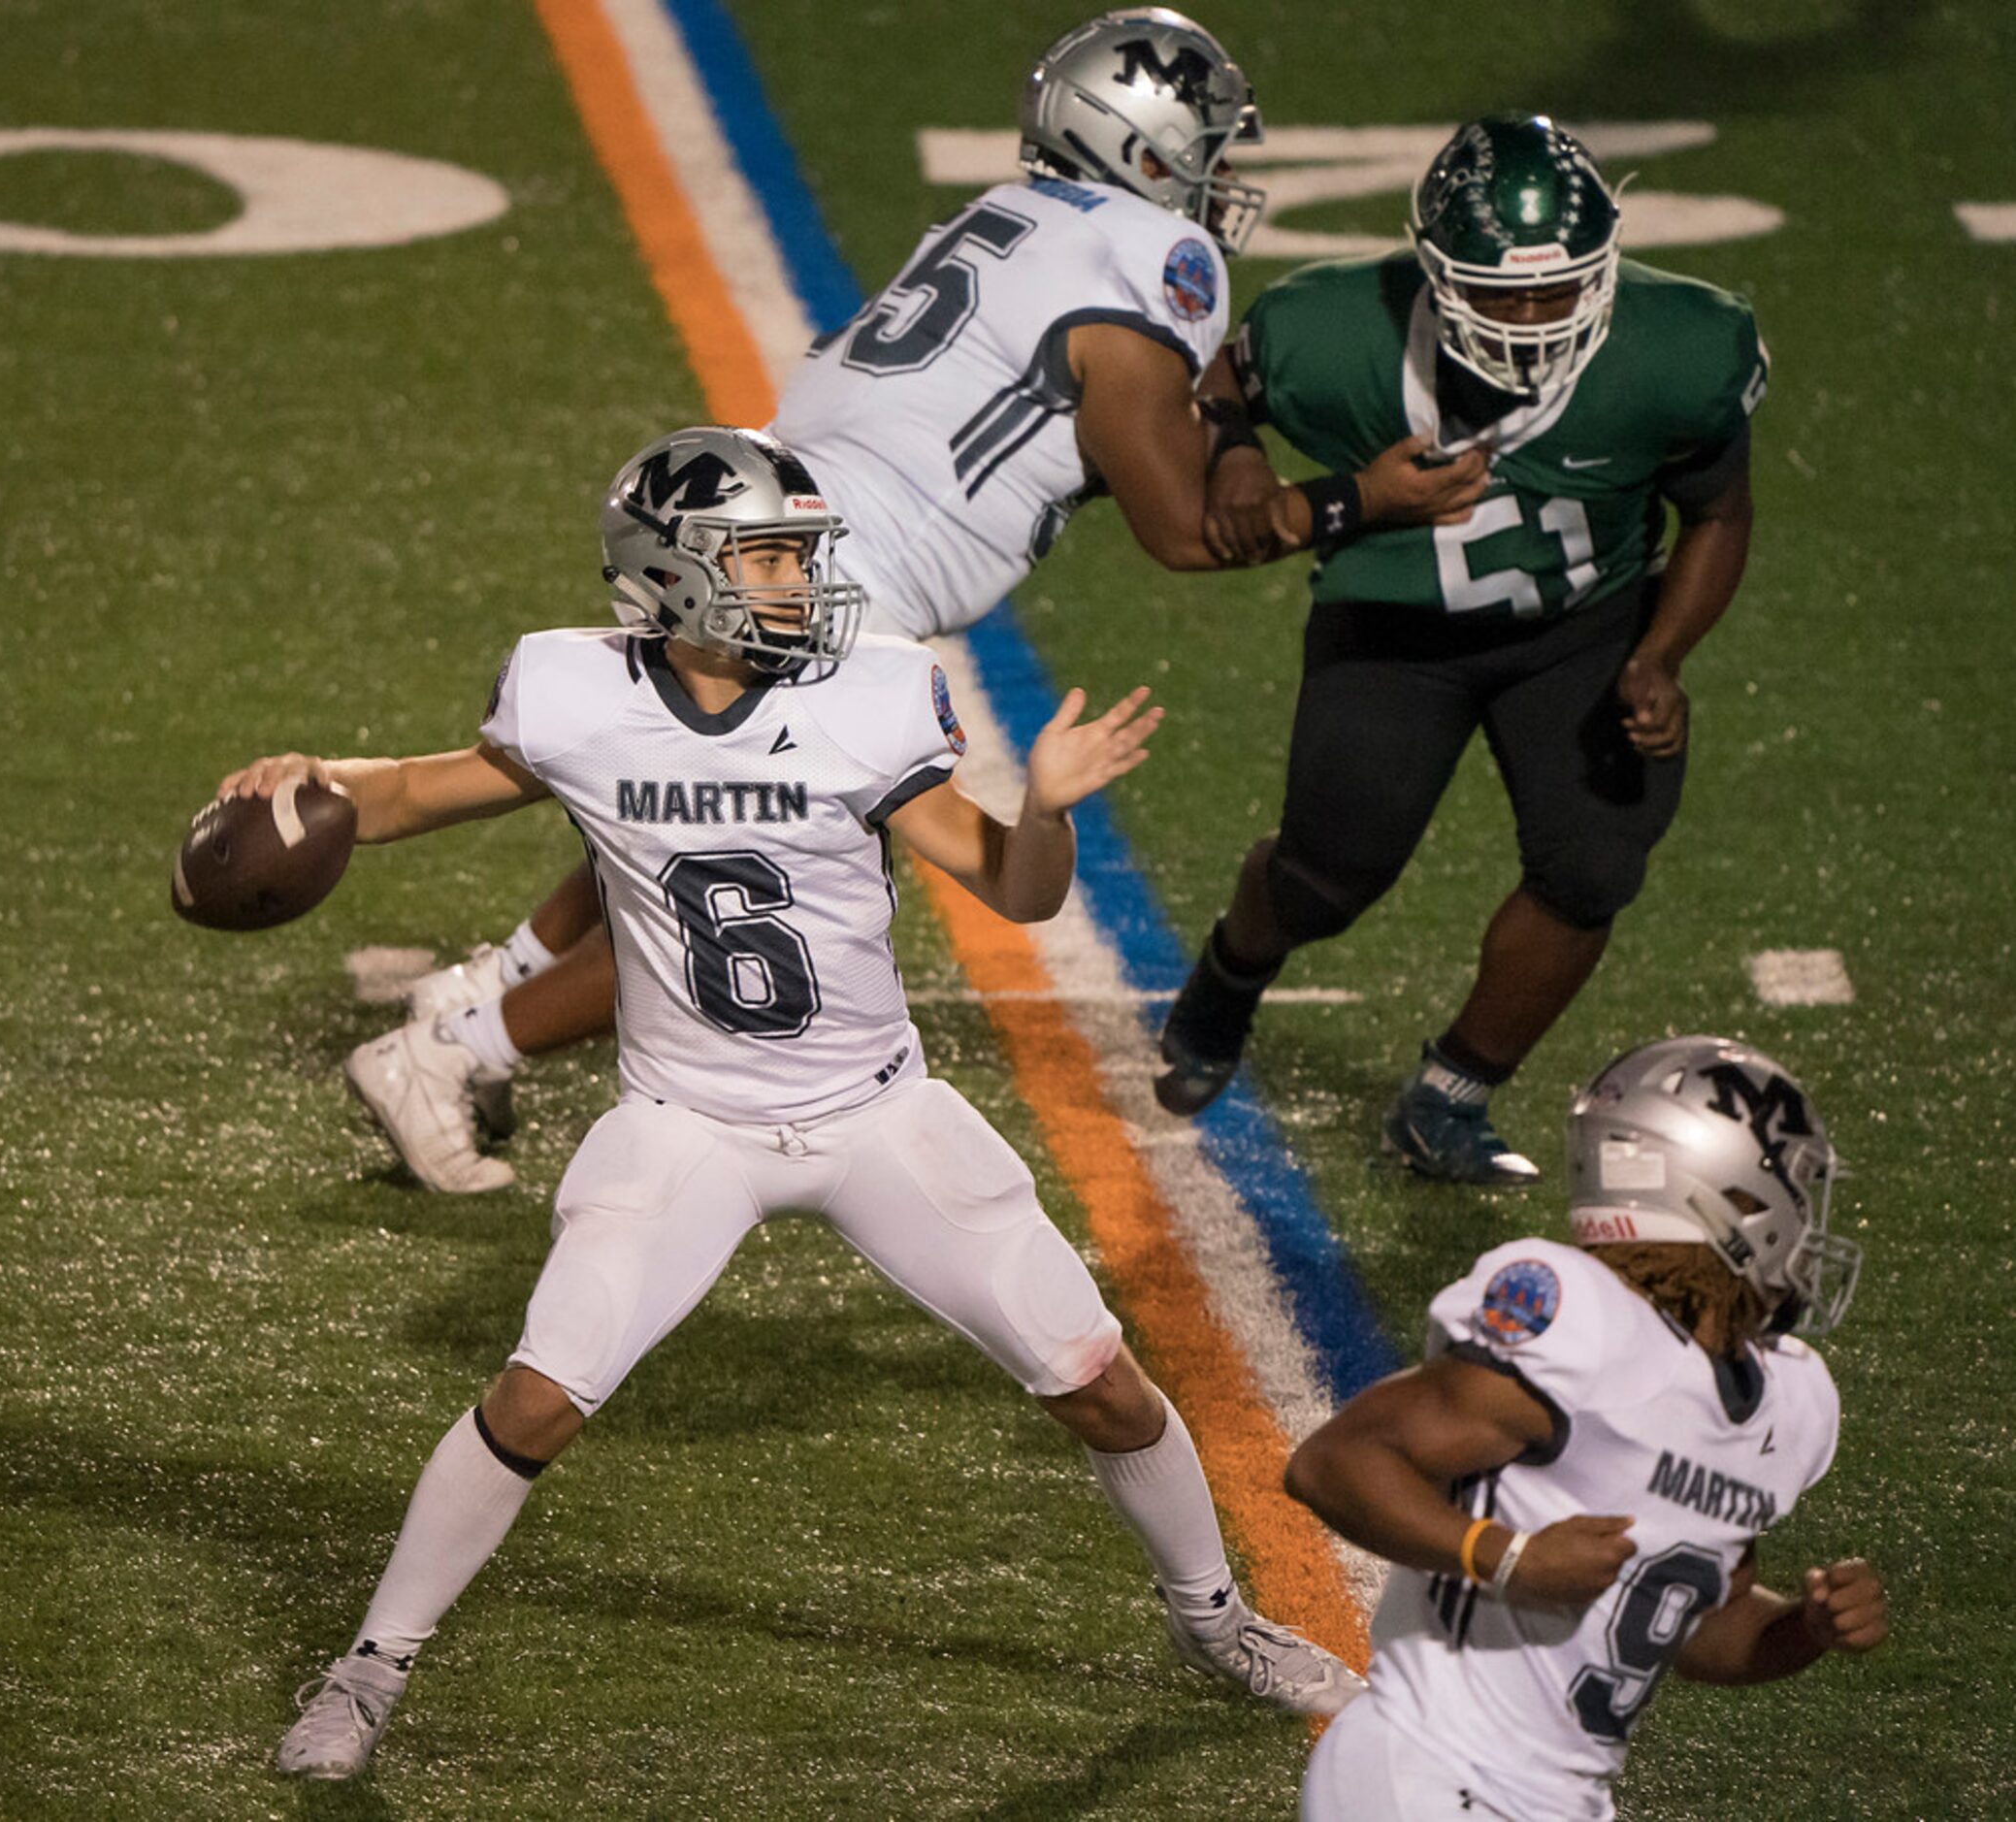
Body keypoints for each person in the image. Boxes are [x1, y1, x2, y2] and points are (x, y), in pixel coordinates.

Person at [242, 427, 1363, 1780]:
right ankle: (370, 1666)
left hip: (878, 1111)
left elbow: (1017, 889)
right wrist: (306, 778)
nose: (798, 580)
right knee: (538, 1395)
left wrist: (1048, 810)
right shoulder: (573, 695)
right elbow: (421, 790)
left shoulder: (869, 695)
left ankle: (1215, 1617)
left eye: (797, 551)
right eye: (767, 554)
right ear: (672, 570)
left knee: (1099, 1379)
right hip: (684, 1122)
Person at [342, 7, 1486, 1192]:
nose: (1224, 171)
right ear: (1143, 152)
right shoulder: (1155, 259)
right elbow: (1186, 536)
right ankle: (451, 1049)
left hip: (771, 532)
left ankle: (483, 990)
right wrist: (1357, 502)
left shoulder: (1017, 217)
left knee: (680, 814)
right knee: (737, 881)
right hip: (825, 584)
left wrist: (1229, 438)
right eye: (1208, 144)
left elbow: (1103, 414)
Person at [1154, 113, 1771, 1186]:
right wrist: (1240, 449)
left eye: (1558, 287)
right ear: (1432, 272)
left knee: (1592, 862)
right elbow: (1207, 381)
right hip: (1393, 630)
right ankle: (1231, 970)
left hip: (1580, 633)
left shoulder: (1679, 346)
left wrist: (1661, 655)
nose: (1533, 318)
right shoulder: (1330, 327)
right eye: (1501, 293)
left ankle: (1452, 1095)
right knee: (1328, 876)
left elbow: (1718, 513)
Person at [1283, 1034, 1887, 1820]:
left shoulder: (1789, 1403)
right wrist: (1507, 1559)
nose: (1803, 1220)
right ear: (1713, 1193)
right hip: (1425, 1768)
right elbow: (1334, 1462)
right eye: (1784, 1187)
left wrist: (1803, 1628)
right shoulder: (1583, 1324)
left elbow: (1695, 1627)